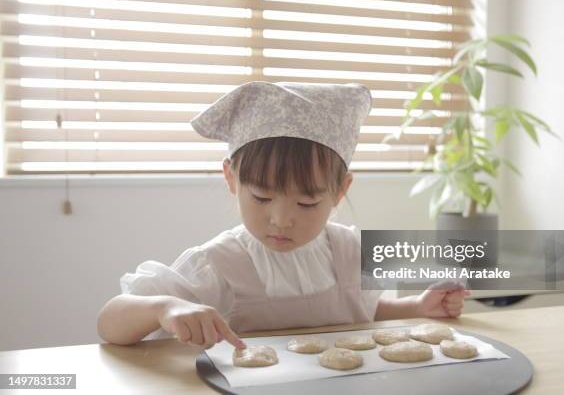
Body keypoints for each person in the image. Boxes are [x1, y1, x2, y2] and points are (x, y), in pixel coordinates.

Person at [97, 82, 470, 350]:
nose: (280, 219)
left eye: (306, 203)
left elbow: (363, 310)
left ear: (340, 191)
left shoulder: (349, 249)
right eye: (261, 197)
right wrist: (165, 306)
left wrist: (417, 308)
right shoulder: (219, 264)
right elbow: (110, 323)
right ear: (231, 178)